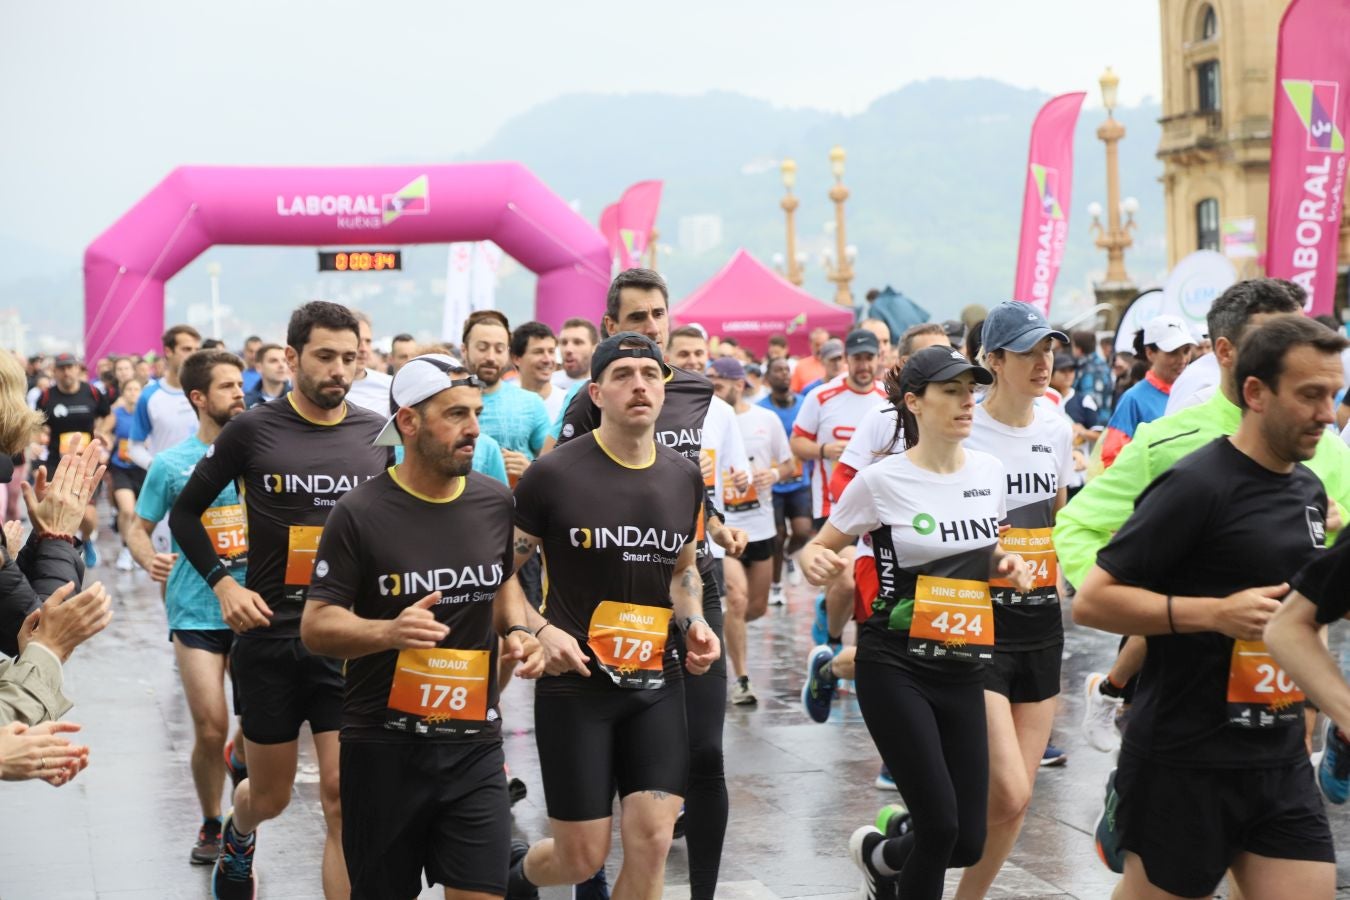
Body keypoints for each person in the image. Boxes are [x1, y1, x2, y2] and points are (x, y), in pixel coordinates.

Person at [1072, 315, 1345, 900]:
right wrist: (1214, 613)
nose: (1328, 412)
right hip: (1185, 758)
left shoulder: (1308, 491)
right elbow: (1093, 602)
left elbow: (1299, 618)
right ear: (1255, 392)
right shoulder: (1196, 485)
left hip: (1276, 757)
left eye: (1333, 394)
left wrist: (1320, 714)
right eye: (1309, 395)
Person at [1053, 279, 1350, 758]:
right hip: (1180, 695)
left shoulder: (1328, 451)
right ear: (1226, 352)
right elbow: (1077, 525)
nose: (1289, 354)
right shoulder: (1169, 442)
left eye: (1296, 337)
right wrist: (1145, 606)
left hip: (1283, 687)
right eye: (1272, 341)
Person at [170, 301, 393, 900]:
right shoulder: (252, 429)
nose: (339, 370)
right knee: (268, 795)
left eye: (350, 358)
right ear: (292, 358)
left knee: (343, 797)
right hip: (269, 636)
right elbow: (185, 513)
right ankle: (239, 835)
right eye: (325, 356)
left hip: (344, 638)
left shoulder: (378, 436)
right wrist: (224, 584)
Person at [300, 353, 543, 898]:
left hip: (474, 744)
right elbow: (317, 626)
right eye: (455, 414)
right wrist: (388, 632)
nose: (474, 428)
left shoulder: (493, 498)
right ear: (408, 422)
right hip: (384, 748)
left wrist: (519, 632)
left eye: (476, 413)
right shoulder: (359, 513)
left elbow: (503, 581)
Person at [798, 345, 1032, 900]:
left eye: (970, 390)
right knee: (941, 826)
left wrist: (1009, 565)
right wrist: (815, 560)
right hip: (894, 662)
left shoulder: (989, 471)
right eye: (950, 391)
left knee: (968, 842)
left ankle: (882, 859)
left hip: (963, 663)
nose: (966, 402)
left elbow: (986, 552)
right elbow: (821, 546)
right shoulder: (882, 481)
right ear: (914, 402)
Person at [550, 270, 746, 900]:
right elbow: (566, 505)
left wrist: (716, 525)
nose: (650, 330)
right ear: (611, 329)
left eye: (658, 315)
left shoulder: (696, 393)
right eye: (636, 319)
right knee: (608, 778)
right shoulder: (590, 401)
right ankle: (588, 883)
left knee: (704, 756)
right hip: (607, 599)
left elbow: (694, 490)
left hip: (687, 587)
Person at [507, 332, 717, 900]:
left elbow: (683, 571)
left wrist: (694, 621)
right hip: (576, 685)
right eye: (623, 374)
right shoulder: (554, 475)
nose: (639, 384)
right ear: (596, 393)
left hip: (655, 680)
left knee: (651, 840)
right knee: (581, 858)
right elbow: (501, 574)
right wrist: (539, 630)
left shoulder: (683, 476)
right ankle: (516, 880)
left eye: (650, 373)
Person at [948, 302, 1074, 900]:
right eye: (1027, 351)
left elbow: (1057, 515)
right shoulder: (964, 427)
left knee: (1014, 802)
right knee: (1009, 790)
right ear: (992, 361)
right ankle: (909, 844)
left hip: (1042, 623)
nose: (1043, 361)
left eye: (1048, 349)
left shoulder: (1056, 425)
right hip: (978, 621)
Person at [128, 349, 251, 866]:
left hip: (255, 609)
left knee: (258, 727)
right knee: (208, 726)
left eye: (240, 385)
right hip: (195, 610)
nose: (240, 394)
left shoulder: (259, 457)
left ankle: (239, 758)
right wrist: (147, 557)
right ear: (198, 398)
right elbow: (138, 524)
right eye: (227, 387)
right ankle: (209, 820)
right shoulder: (171, 464)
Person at [801, 323, 949, 721]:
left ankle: (832, 668)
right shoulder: (884, 418)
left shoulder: (967, 420)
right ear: (904, 366)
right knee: (890, 656)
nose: (946, 367)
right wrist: (874, 519)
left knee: (935, 651)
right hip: (881, 558)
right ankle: (895, 752)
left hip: (946, 563)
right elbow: (842, 478)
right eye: (931, 358)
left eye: (950, 356)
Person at [790, 330, 888, 652]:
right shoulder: (822, 397)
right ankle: (831, 642)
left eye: (869, 358)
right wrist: (824, 450)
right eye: (857, 358)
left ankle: (860, 658)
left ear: (878, 359)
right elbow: (797, 442)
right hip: (831, 507)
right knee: (846, 579)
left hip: (876, 512)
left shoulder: (888, 400)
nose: (863, 365)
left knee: (865, 585)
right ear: (846, 359)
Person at [709, 357, 794, 705]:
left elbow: (790, 465)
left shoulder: (766, 419)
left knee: (755, 607)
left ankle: (725, 631)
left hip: (760, 525)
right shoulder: (705, 418)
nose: (712, 390)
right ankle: (741, 678)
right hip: (724, 528)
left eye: (719, 384)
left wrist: (771, 475)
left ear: (739, 384)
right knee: (737, 598)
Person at [35, 352, 112, 566]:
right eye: (62, 368)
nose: (67, 372)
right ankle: (59, 548)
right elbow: (37, 423)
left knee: (87, 515)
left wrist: (101, 431)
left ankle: (86, 539)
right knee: (53, 508)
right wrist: (37, 438)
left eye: (70, 367)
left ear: (78, 369)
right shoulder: (46, 397)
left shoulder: (93, 392)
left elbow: (107, 414)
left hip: (86, 461)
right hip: (56, 462)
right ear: (55, 371)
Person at [1098, 315, 1196, 468]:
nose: (1182, 359)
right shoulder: (1133, 399)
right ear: (1150, 353)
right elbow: (1113, 459)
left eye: (1186, 351)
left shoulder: (1198, 390)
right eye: (1173, 352)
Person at [759, 357, 812, 605]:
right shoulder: (761, 409)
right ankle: (776, 585)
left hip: (800, 480)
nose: (783, 374)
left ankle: (790, 556)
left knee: (802, 531)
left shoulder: (804, 405)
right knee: (778, 535)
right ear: (768, 378)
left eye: (786, 370)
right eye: (777, 370)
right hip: (774, 482)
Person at [104, 376, 144, 571]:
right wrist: (107, 440)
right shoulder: (116, 414)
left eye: (137, 389)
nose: (133, 393)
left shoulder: (146, 414)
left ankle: (137, 549)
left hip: (143, 468)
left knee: (139, 513)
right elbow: (101, 432)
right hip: (121, 468)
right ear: (123, 393)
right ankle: (126, 549)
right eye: (129, 389)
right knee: (127, 510)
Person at [512, 320, 567, 422]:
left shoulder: (568, 403)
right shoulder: (506, 402)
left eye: (551, 352)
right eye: (538, 352)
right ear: (516, 359)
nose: (547, 359)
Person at [344, 311, 395, 413]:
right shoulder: (328, 387)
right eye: (358, 341)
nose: (364, 349)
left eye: (368, 341)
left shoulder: (390, 385)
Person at [1070, 328, 1113, 425]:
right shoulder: (1098, 364)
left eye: (1073, 346)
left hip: (1093, 426)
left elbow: (1091, 402)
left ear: (1079, 349)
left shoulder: (1091, 369)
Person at [551, 317, 599, 390]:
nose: (568, 349)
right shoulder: (548, 384)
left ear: (595, 348)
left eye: (577, 342)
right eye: (564, 343)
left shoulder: (602, 386)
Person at [243, 343, 290, 408]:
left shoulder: (298, 399)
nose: (281, 365)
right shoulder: (246, 402)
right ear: (259, 367)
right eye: (273, 361)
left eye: (284, 361)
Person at [789, 327, 831, 395]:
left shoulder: (837, 365)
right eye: (817, 345)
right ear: (810, 344)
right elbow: (794, 393)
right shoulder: (801, 366)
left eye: (823, 344)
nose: (820, 348)